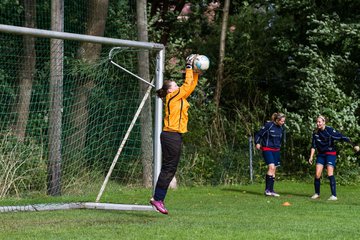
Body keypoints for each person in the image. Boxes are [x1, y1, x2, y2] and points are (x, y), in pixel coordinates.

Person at [150, 54, 201, 214]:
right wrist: (188, 66)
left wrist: (196, 72)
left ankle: (158, 199)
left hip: (174, 136)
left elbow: (190, 86)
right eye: (175, 84)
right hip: (170, 136)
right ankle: (157, 199)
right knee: (169, 168)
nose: (178, 86)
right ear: (170, 90)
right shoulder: (173, 96)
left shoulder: (179, 97)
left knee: (170, 168)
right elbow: (187, 85)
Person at [308, 115, 359, 200]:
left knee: (330, 173)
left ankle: (334, 195)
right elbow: (313, 146)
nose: (318, 123)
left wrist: (353, 145)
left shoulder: (330, 130)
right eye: (317, 122)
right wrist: (311, 157)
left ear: (324, 122)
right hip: (321, 155)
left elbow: (342, 137)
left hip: (330, 153)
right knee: (317, 174)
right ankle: (317, 193)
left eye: (319, 122)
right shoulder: (315, 132)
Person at [255, 112, 286, 197]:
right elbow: (259, 134)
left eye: (284, 121)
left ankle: (271, 190)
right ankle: (267, 190)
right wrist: (257, 142)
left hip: (276, 150)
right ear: (277, 120)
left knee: (274, 170)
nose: (283, 123)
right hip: (267, 149)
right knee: (271, 167)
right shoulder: (269, 125)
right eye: (282, 121)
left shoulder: (281, 128)